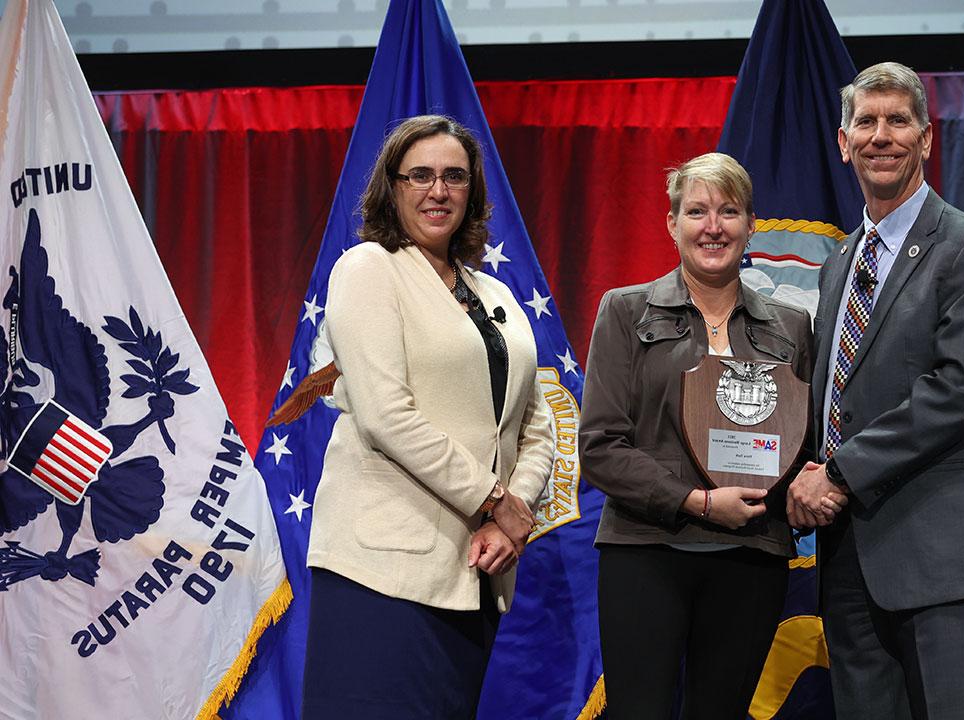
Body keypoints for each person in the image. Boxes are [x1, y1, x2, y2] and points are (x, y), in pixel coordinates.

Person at [787, 62, 964, 719]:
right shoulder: (840, 262)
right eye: (866, 121)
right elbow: (836, 396)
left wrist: (839, 473)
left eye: (898, 121)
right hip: (850, 563)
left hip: (944, 559)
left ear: (926, 139)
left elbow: (961, 386)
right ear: (844, 141)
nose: (881, 135)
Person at [301, 115, 554, 719]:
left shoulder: (494, 294)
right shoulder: (367, 269)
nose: (438, 191)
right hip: (381, 571)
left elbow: (535, 423)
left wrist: (511, 517)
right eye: (420, 175)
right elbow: (388, 416)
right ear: (392, 186)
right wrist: (496, 500)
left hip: (477, 569)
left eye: (454, 177)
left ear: (472, 193)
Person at [580, 152, 816, 720]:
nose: (713, 226)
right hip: (646, 550)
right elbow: (599, 447)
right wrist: (697, 502)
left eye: (729, 211)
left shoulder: (791, 327)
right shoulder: (625, 311)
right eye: (697, 211)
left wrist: (810, 488)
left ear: (751, 225)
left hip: (751, 554)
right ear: (672, 223)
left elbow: (802, 445)